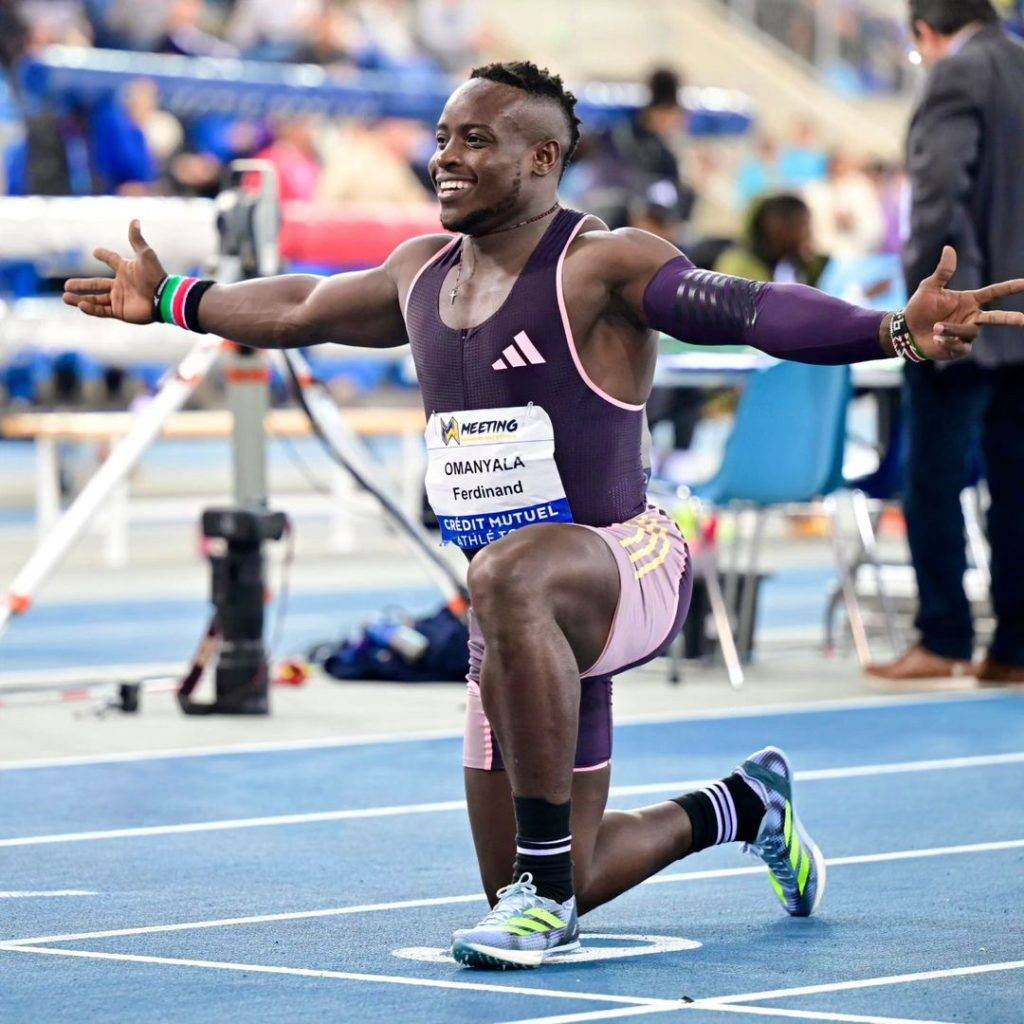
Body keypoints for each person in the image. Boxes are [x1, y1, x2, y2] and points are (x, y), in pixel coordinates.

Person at [63, 61, 1023, 970]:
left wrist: (893, 330)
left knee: (511, 593)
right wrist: (176, 301)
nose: (445, 156)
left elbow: (752, 310)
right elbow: (304, 304)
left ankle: (547, 905)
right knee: (544, 867)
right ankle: (744, 804)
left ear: (542, 159)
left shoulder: (599, 265)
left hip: (626, 567)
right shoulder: (420, 273)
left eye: (475, 140)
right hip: (516, 623)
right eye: (441, 137)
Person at [867, 0, 1024, 685]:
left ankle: (944, 637)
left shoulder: (956, 74)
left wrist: (930, 304)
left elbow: (936, 195)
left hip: (962, 320)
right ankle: (1015, 647)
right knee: (1018, 485)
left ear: (925, 33)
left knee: (932, 477)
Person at [714, 193, 828, 287]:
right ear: (779, 229)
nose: (808, 234)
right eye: (803, 225)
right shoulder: (738, 268)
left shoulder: (794, 265)